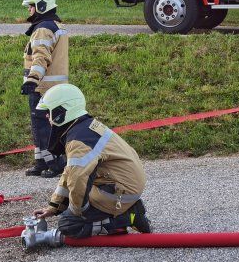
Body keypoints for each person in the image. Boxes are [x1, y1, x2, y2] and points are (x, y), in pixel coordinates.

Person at [32, 84, 151, 238]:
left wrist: (75, 213)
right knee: (75, 204)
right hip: (124, 184)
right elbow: (70, 172)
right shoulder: (84, 128)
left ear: (61, 112)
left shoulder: (78, 141)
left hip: (120, 190)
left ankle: (127, 218)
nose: (47, 116)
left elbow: (77, 179)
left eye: (49, 111)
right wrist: (54, 207)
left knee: (69, 225)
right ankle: (128, 209)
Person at [21, 0, 69, 177]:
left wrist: (32, 80)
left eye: (31, 7)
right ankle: (41, 162)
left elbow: (41, 58)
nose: (29, 11)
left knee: (44, 127)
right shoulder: (55, 26)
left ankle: (55, 163)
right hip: (53, 87)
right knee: (41, 125)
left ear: (41, 6)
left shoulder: (42, 29)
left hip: (43, 87)